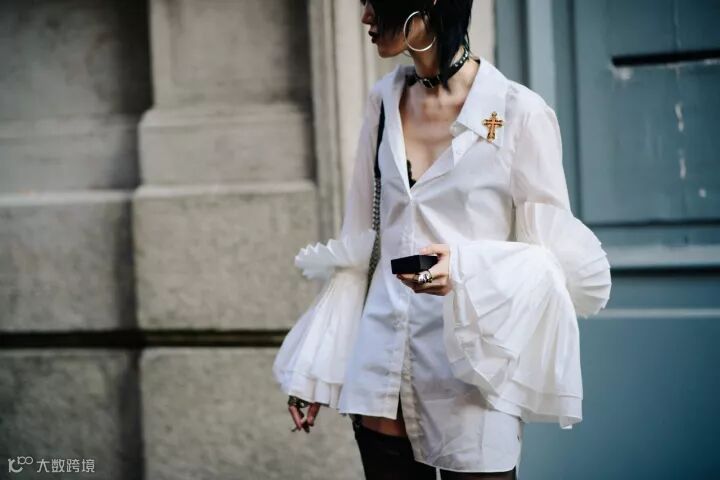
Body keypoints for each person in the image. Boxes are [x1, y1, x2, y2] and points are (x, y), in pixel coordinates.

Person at [276, 1, 612, 479]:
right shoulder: (383, 100)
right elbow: (360, 241)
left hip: (472, 374)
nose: (365, 16)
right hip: (382, 366)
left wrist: (465, 268)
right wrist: (316, 368)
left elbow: (552, 267)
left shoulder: (517, 112)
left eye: (375, 0)